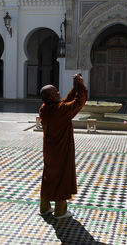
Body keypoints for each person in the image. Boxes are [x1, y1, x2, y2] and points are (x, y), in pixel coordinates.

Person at [39, 74, 87, 219]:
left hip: (49, 151)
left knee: (49, 177)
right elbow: (79, 102)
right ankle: (60, 211)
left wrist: (75, 87)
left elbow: (65, 101)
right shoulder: (59, 111)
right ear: (51, 97)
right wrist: (81, 85)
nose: (59, 93)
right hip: (60, 152)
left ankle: (45, 207)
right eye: (56, 92)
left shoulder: (44, 108)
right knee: (62, 177)